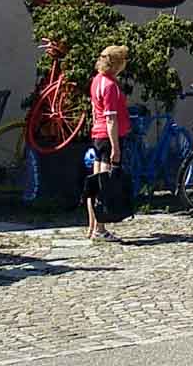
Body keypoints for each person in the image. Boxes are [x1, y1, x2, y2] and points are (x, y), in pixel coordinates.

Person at [84, 43, 129, 243]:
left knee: (95, 183)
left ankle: (92, 226)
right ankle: (100, 229)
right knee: (104, 184)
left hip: (98, 134)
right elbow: (111, 118)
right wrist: (116, 148)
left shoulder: (97, 80)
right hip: (108, 136)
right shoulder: (110, 85)